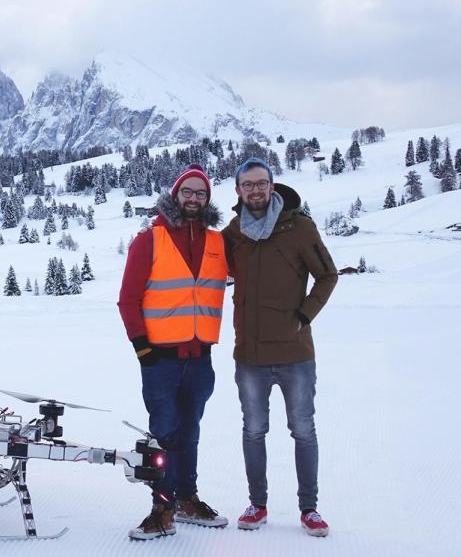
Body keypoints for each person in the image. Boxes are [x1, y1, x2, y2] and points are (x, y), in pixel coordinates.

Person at [222, 157, 338, 537]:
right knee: (253, 431)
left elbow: (327, 275)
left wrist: (304, 315)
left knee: (303, 430)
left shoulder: (299, 227)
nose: (255, 190)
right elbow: (204, 265)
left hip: (294, 354)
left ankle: (310, 508)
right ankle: (257, 504)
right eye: (247, 184)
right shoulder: (233, 232)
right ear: (238, 191)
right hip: (250, 355)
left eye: (261, 183)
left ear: (272, 186)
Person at [118, 164, 230, 540]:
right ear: (176, 194)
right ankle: (162, 507)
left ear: (207, 199)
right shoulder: (150, 239)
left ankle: (187, 498)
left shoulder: (218, 243)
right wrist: (142, 348)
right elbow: (128, 299)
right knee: (164, 433)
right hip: (159, 360)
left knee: (190, 432)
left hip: (200, 360)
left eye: (201, 193)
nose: (195, 198)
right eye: (188, 191)